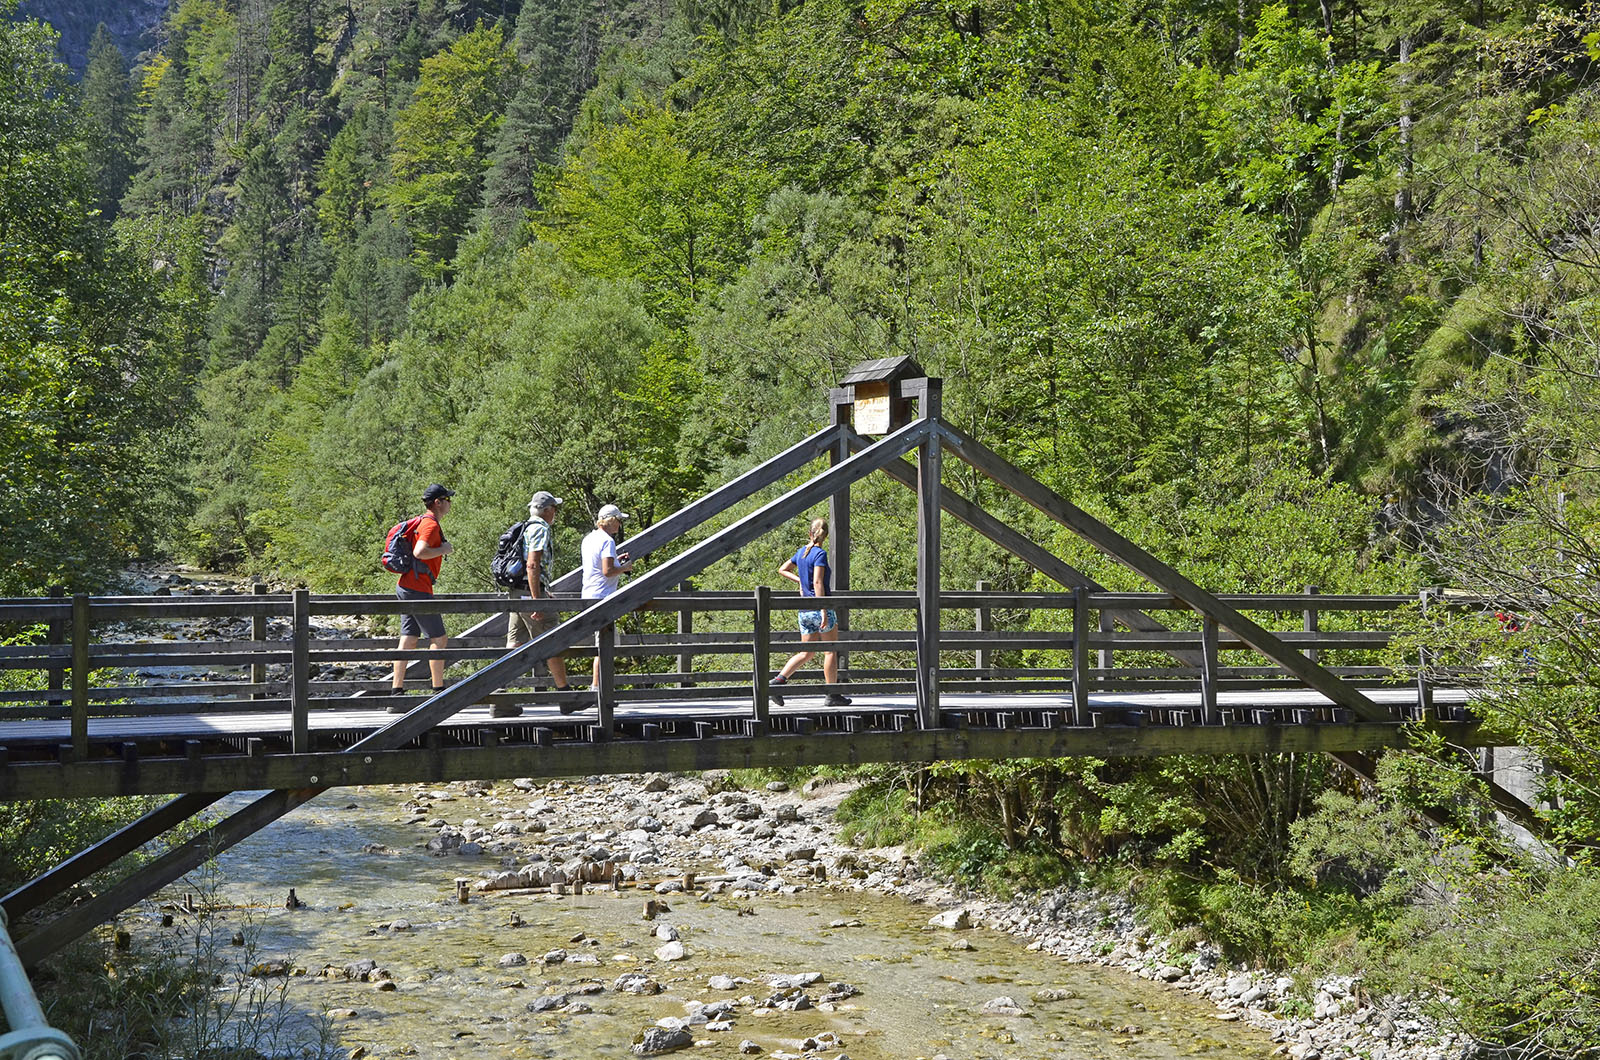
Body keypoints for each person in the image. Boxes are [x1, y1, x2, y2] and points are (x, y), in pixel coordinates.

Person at [506, 490, 581, 715]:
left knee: (514, 644)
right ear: (547, 510)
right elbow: (532, 565)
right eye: (554, 509)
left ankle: (498, 698)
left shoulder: (525, 526)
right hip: (529, 595)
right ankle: (566, 696)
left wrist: (541, 591)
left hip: (517, 592)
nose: (556, 513)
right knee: (552, 640)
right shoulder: (539, 528)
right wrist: (537, 599)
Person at [770, 516, 852, 707]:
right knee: (830, 652)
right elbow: (817, 582)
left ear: (810, 533)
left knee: (806, 652)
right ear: (825, 536)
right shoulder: (819, 554)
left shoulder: (801, 553)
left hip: (804, 611)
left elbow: (782, 569)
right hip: (819, 608)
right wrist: (823, 608)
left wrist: (800, 581)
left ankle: (777, 682)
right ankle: (832, 694)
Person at [388, 484, 454, 711]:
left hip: (407, 586)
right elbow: (420, 552)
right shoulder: (430, 524)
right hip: (417, 588)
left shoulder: (424, 521)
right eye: (447, 499)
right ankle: (438, 691)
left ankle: (396, 693)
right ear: (438, 502)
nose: (450, 504)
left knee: (409, 638)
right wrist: (443, 550)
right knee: (440, 639)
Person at [581, 503, 636, 694]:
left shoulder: (589, 539)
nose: (619, 525)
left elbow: (598, 566)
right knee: (605, 646)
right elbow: (607, 571)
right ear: (611, 520)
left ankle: (598, 688)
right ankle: (598, 690)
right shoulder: (607, 541)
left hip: (588, 593)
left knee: (603, 644)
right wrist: (625, 567)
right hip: (603, 597)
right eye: (619, 521)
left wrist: (616, 559)